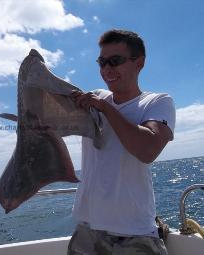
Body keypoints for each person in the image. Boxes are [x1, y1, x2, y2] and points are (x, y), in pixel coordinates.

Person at [68, 29, 175, 254]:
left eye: (115, 61)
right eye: (102, 62)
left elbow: (148, 150)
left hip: (135, 232)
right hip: (88, 230)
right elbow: (57, 124)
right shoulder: (97, 96)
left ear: (140, 63)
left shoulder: (157, 102)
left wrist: (106, 109)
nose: (107, 69)